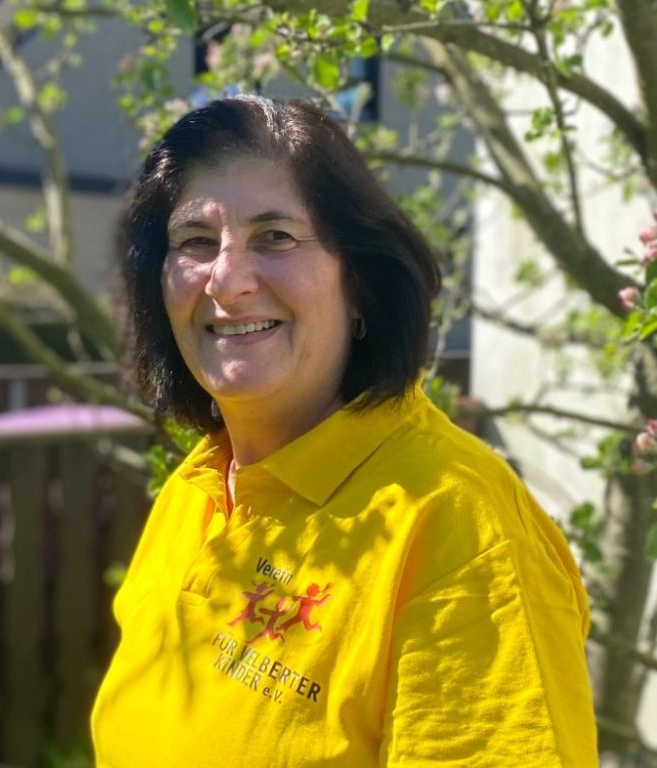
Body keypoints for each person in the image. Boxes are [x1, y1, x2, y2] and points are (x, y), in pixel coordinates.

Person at [92, 96, 597, 767]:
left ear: (359, 280)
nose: (227, 280)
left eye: (276, 236)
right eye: (195, 242)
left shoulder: (460, 527)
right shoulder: (197, 489)